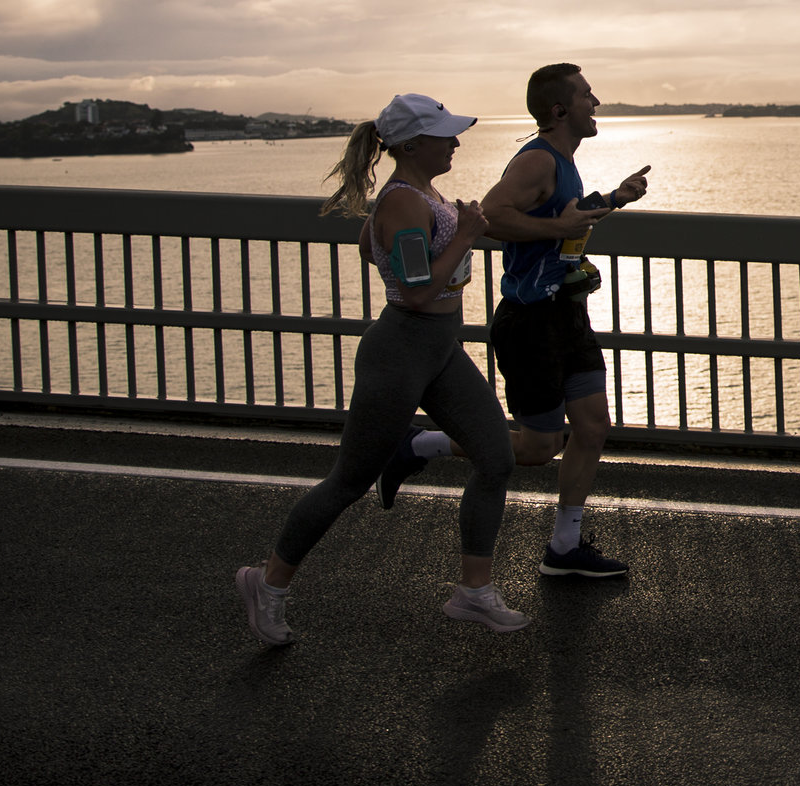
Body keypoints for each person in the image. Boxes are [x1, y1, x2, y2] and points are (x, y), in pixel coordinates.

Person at [235, 94, 525, 646]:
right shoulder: (403, 202)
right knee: (349, 481)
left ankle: (473, 591)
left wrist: (445, 234)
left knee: (496, 457)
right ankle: (267, 584)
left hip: (440, 350)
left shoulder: (417, 195)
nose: (457, 141)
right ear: (413, 144)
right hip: (401, 349)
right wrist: (465, 234)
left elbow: (370, 247)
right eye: (446, 134)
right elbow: (415, 294)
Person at [470, 63, 647, 579]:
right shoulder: (536, 161)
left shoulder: (564, 162)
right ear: (559, 109)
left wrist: (614, 199)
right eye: (588, 96)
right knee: (537, 448)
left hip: (566, 316)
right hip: (530, 321)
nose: (597, 103)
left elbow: (562, 223)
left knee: (593, 427)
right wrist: (557, 225)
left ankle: (564, 548)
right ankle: (419, 444)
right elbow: (491, 217)